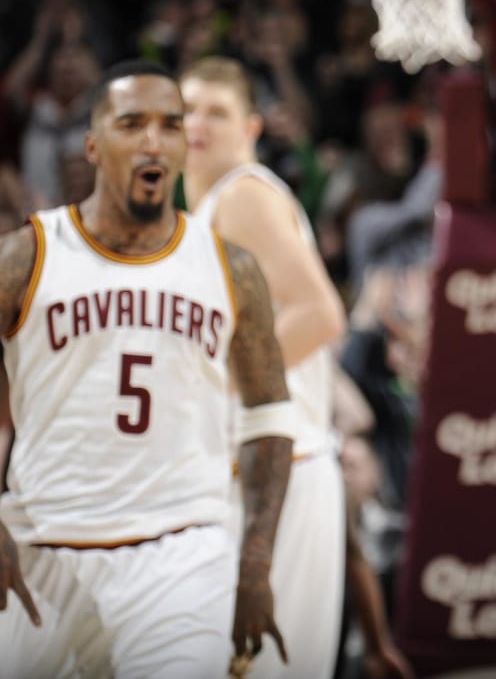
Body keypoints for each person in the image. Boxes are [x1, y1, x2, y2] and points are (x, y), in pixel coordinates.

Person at [0, 59, 293, 677]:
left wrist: (255, 565)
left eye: (169, 124)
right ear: (92, 144)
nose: (153, 140)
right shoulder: (29, 255)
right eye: (132, 124)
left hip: (181, 553)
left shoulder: (231, 267)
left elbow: (269, 418)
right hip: (43, 544)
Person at [181, 56, 356, 679]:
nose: (196, 123)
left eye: (216, 111)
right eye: (187, 109)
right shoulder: (199, 212)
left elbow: (319, 313)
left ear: (251, 127)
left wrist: (207, 390)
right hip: (258, 468)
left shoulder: (244, 195)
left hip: (281, 470)